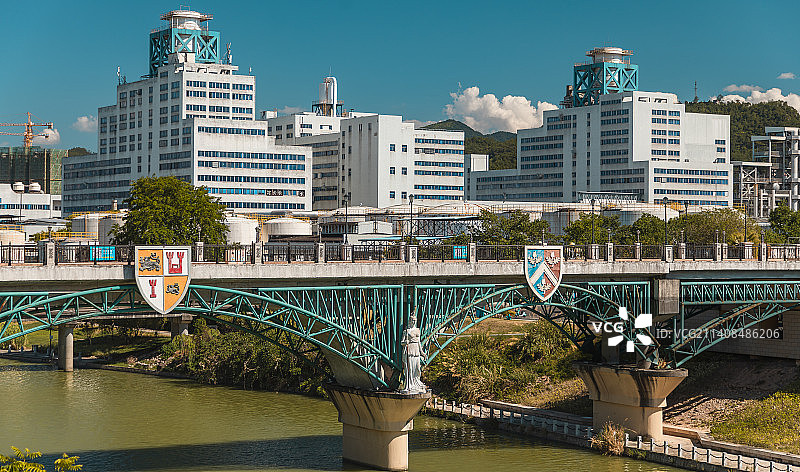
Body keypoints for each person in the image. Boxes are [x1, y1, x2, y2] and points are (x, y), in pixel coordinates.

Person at [401, 313, 427, 394]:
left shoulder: (417, 330)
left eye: (415, 320)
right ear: (410, 321)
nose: (413, 322)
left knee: (417, 368)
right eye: (412, 320)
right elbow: (402, 342)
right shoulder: (406, 331)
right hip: (409, 350)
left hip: (416, 350)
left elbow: (419, 342)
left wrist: (422, 352)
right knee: (410, 368)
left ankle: (416, 383)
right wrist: (406, 342)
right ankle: (410, 385)